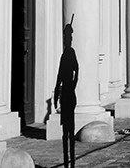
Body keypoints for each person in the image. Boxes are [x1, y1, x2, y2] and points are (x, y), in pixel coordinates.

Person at [54, 22, 78, 168]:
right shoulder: (64, 54)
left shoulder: (70, 53)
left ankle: (71, 162)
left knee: (69, 130)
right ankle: (68, 162)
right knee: (65, 131)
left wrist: (73, 84)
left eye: (68, 37)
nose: (66, 40)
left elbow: (76, 70)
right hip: (66, 94)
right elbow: (59, 75)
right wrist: (57, 91)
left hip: (69, 94)